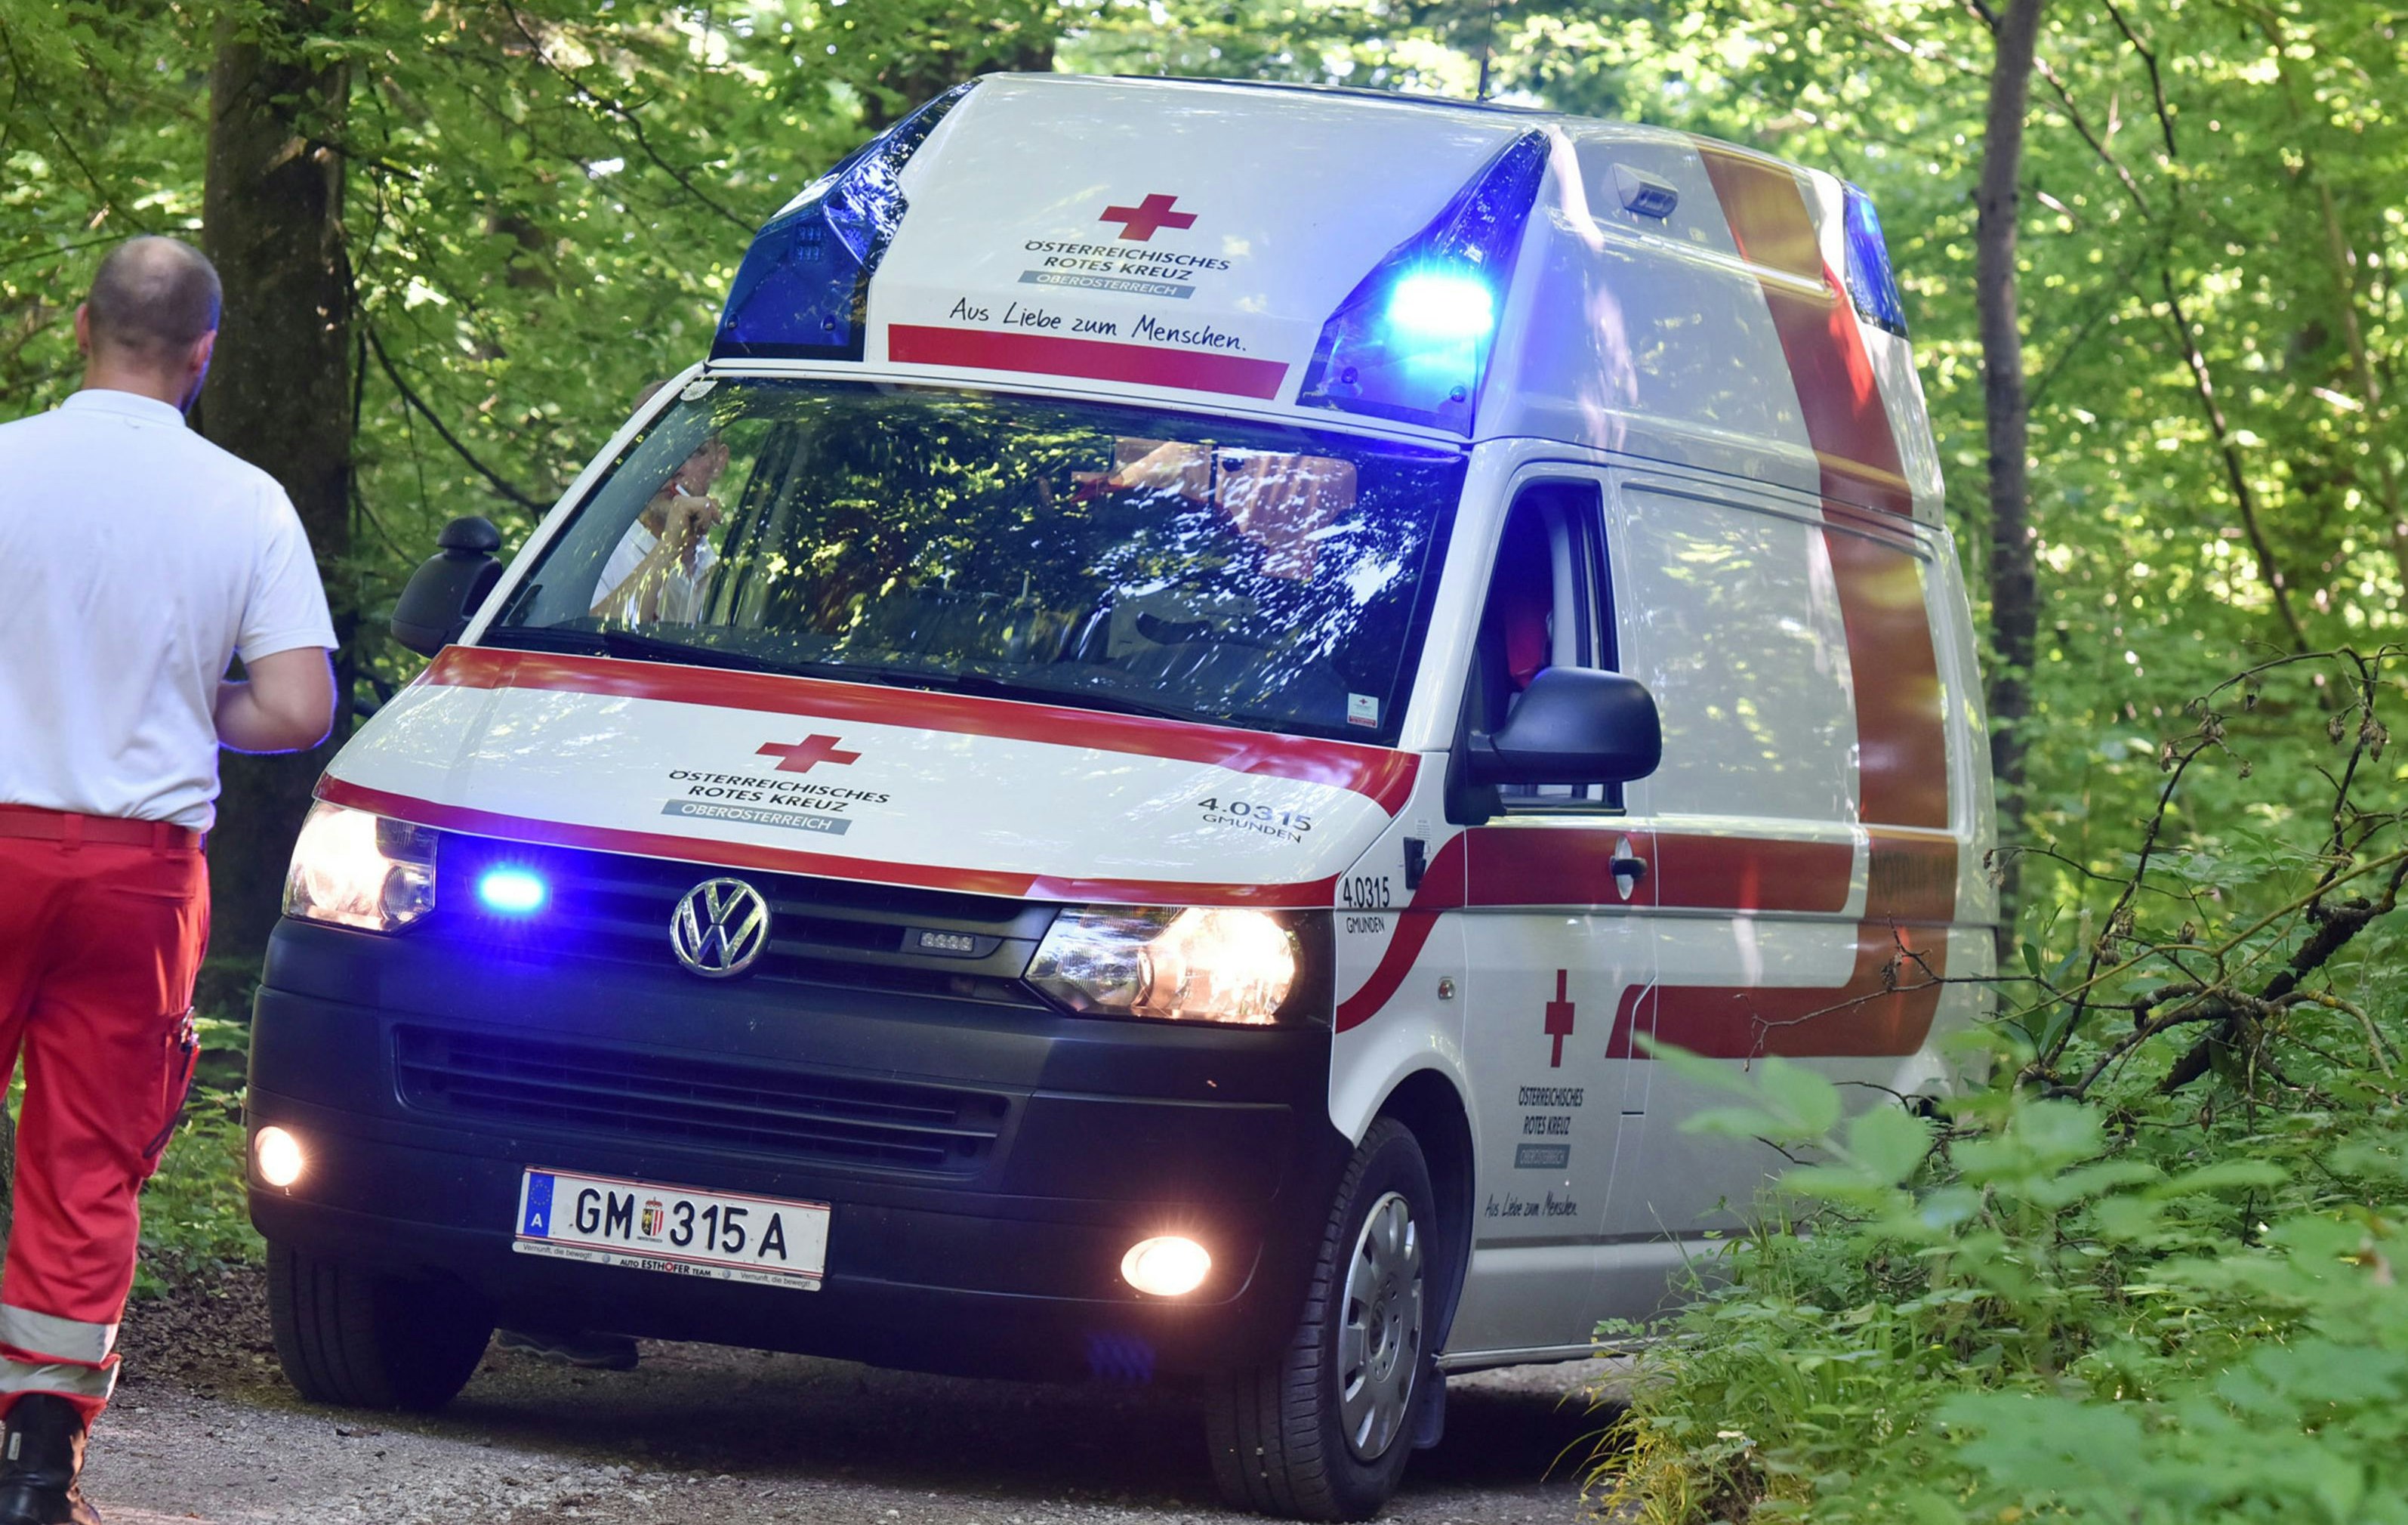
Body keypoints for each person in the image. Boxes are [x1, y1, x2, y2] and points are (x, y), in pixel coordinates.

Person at [0, 236, 337, 1523]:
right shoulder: (241, 499)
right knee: (89, 1155)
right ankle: (37, 1460)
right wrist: (182, 698)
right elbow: (298, 703)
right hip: (136, 877)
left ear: (81, 326)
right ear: (204, 355)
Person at [590, 411, 729, 624]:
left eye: (693, 451)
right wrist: (670, 545)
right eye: (658, 450)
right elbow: (593, 641)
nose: (673, 467)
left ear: (719, 462)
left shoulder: (725, 568)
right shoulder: (598, 555)